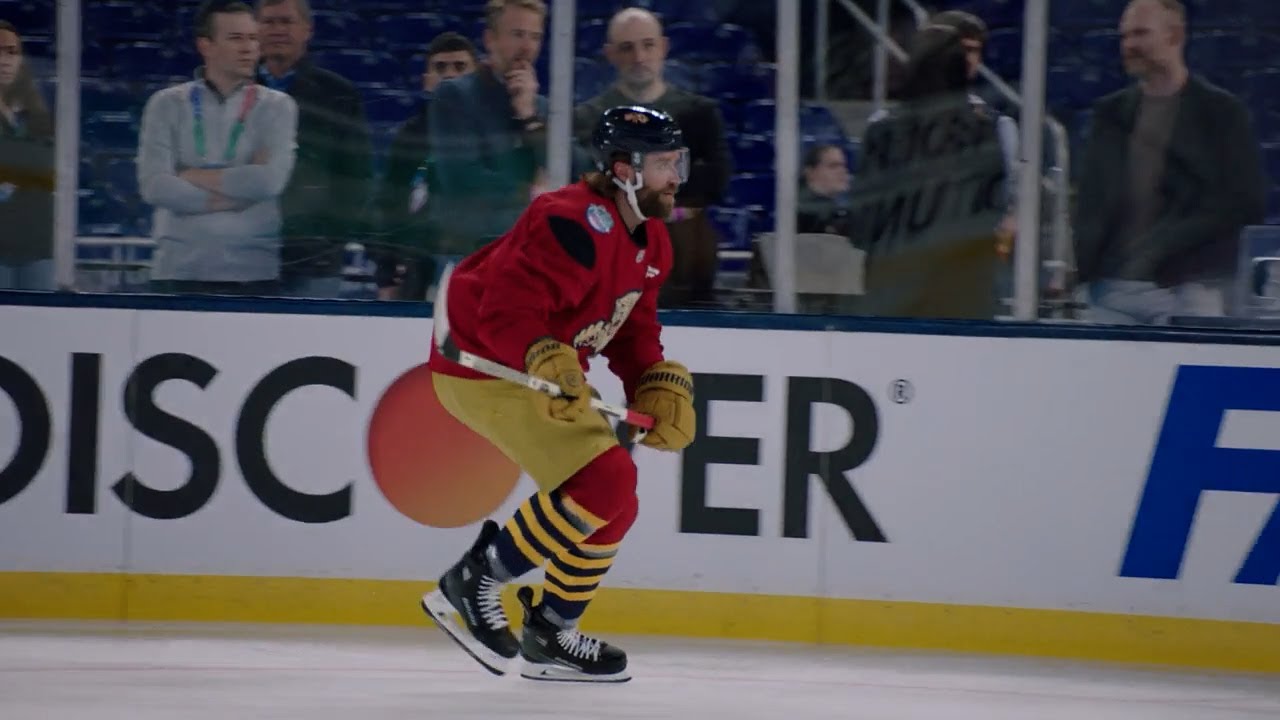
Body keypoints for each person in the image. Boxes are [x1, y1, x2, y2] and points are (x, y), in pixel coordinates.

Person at [421, 105, 697, 683]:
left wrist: (653, 383)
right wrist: (549, 358)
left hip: (536, 368)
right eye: (666, 164)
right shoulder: (568, 220)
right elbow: (506, 312)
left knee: (617, 499)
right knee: (608, 480)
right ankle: (476, 580)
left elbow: (634, 333)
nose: (677, 176)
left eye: (679, 162)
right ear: (624, 169)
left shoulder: (653, 244)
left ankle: (549, 631)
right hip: (484, 365)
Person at [1073, 0, 1265, 324]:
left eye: (1140, 34)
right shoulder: (1109, 114)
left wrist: (1158, 248)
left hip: (1190, 285)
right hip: (1109, 289)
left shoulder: (1221, 113)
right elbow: (1091, 204)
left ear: (1175, 35)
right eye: (1124, 37)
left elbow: (1243, 202)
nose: (1129, 45)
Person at [573, 7, 732, 309]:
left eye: (648, 45)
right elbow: (589, 184)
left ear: (663, 47)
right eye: (627, 48)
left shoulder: (699, 114)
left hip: (682, 259)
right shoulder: (589, 118)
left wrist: (636, 184)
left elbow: (717, 179)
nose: (639, 57)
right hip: (611, 257)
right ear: (610, 54)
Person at [136, 0, 299, 295]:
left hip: (254, 272)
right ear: (206, 46)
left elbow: (268, 181)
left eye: (253, 38)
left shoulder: (278, 107)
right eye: (236, 39)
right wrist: (238, 193)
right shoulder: (167, 104)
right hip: (178, 270)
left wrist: (189, 175)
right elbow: (156, 186)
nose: (249, 48)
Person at [0, 19, 55, 290]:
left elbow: (50, 170)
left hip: (38, 247)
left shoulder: (36, 114)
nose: (5, 59)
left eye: (12, 52)